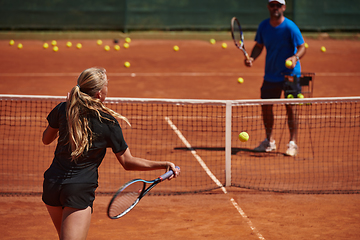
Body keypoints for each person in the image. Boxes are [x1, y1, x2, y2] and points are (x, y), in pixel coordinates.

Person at [42, 67, 180, 239]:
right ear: (99, 93)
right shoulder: (107, 122)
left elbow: (46, 139)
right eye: (107, 84)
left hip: (52, 184)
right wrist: (163, 164)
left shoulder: (63, 109)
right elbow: (127, 162)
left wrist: (68, 113)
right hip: (78, 190)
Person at [245, 0, 306, 157]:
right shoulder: (264, 26)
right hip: (271, 74)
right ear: (268, 7)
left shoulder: (290, 27)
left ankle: (292, 143)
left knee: (290, 107)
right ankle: (269, 141)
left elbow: (302, 47)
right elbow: (259, 46)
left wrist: (294, 58)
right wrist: (252, 58)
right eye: (272, 5)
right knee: (266, 106)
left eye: (278, 5)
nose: (275, 8)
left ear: (283, 8)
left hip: (290, 75)